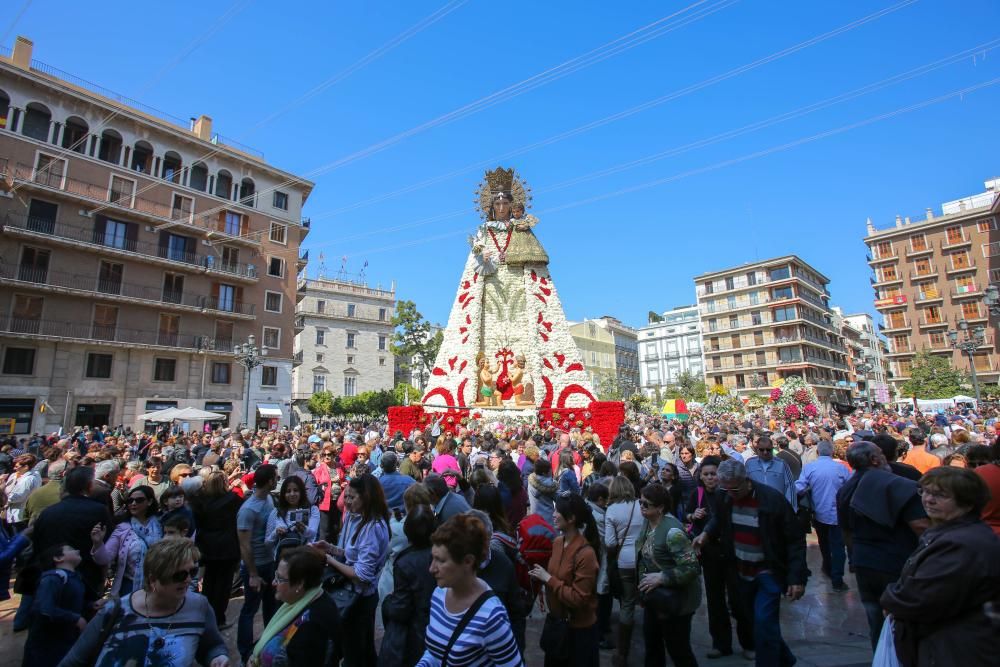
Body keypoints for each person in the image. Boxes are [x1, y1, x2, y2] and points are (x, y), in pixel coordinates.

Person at [880, 467, 1000, 665]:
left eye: (940, 495)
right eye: (925, 491)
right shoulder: (948, 533)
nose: (928, 499)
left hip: (959, 649)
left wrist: (891, 598)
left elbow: (921, 599)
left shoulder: (960, 543)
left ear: (967, 502)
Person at [694, 459, 807, 667]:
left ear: (747, 480)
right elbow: (719, 519)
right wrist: (706, 534)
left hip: (767, 570)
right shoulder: (725, 496)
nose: (731, 494)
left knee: (764, 622)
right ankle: (785, 659)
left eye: (735, 489)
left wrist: (796, 577)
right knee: (758, 622)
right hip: (740, 570)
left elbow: (794, 539)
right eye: (726, 489)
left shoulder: (771, 500)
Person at [60, 537, 229, 666]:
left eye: (191, 572)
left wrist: (218, 657)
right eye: (178, 575)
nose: (187, 580)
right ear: (153, 579)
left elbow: (212, 645)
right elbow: (74, 660)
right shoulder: (116, 611)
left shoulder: (199, 606)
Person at [836, 442, 929, 650]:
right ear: (875, 460)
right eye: (880, 454)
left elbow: (846, 532)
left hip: (865, 563)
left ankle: (883, 657)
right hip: (895, 562)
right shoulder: (896, 483)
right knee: (904, 621)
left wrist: (855, 556)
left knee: (876, 620)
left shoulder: (845, 490)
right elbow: (921, 526)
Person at [415, 513, 522, 667]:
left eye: (441, 560)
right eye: (433, 558)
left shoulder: (491, 616)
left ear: (468, 561)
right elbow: (436, 652)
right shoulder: (439, 594)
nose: (432, 569)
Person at [316, 473, 390, 667]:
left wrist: (329, 559)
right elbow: (352, 555)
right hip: (351, 594)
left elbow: (362, 575)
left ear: (366, 498)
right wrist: (331, 548)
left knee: (355, 652)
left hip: (359, 599)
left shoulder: (372, 526)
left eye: (351, 497)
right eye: (345, 496)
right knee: (360, 648)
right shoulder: (352, 517)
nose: (346, 502)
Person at [685, 455, 752, 659]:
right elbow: (686, 516)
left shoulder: (729, 494)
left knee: (738, 599)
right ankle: (720, 643)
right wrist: (692, 515)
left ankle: (748, 643)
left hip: (731, 552)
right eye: (706, 474)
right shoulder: (696, 494)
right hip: (709, 554)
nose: (710, 478)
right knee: (715, 601)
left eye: (713, 474)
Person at [529, 493, 600, 667]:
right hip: (557, 625)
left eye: (557, 511)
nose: (553, 515)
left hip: (578, 633)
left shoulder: (586, 554)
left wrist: (549, 579)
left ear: (571, 518)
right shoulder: (558, 542)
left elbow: (578, 598)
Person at [636, 483, 701, 667]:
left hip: (675, 601)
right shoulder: (648, 522)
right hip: (655, 597)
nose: (641, 507)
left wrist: (662, 577)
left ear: (660, 508)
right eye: (640, 502)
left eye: (646, 504)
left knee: (678, 649)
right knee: (652, 645)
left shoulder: (672, 532)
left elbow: (692, 567)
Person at [30, 466, 112, 605]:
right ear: (89, 486)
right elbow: (106, 543)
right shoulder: (98, 510)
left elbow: (37, 544)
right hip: (86, 578)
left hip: (51, 575)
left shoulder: (47, 512)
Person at [247, 546, 340, 666]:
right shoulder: (300, 599)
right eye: (276, 575)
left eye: (280, 578)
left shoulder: (313, 625)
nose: (274, 582)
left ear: (299, 584)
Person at [380, 505, 437, 667]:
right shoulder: (440, 554)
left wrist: (387, 603)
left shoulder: (406, 563)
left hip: (414, 634)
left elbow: (400, 609)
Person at [237, 463, 279, 662]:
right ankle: (245, 651)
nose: (277, 479)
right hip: (255, 567)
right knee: (250, 610)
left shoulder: (269, 498)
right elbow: (244, 545)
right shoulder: (248, 509)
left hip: (270, 563)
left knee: (272, 607)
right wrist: (253, 574)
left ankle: (268, 645)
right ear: (270, 480)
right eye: (276, 477)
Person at [795, 440, 851, 591]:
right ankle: (837, 578)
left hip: (819, 513)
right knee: (838, 547)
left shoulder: (810, 468)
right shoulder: (841, 468)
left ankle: (828, 567)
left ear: (818, 452)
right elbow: (851, 488)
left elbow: (799, 488)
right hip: (837, 514)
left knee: (825, 543)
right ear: (832, 452)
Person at [189, 469, 242, 629]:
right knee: (223, 586)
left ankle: (205, 617)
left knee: (209, 584)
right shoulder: (232, 499)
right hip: (227, 547)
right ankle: (218, 619)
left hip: (207, 546)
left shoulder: (200, 501)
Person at [91, 484, 163, 596]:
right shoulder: (122, 528)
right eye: (130, 500)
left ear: (149, 502)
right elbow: (104, 559)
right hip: (130, 586)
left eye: (139, 500)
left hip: (160, 584)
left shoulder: (161, 524)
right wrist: (98, 543)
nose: (133, 503)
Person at [21, 543, 86, 667]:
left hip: (64, 640)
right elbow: (44, 608)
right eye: (71, 549)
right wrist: (75, 618)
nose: (77, 549)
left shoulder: (76, 578)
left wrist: (92, 605)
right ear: (58, 558)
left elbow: (70, 602)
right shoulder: (52, 578)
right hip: (46, 647)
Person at [604, 475, 642, 667]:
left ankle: (622, 653)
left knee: (627, 603)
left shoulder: (612, 509)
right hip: (644, 560)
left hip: (624, 562)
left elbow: (610, 543)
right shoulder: (641, 505)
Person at [266, 475, 320, 558]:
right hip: (283, 561)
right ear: (283, 494)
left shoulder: (312, 510)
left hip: (304, 560)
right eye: (288, 491)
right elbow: (267, 543)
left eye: (296, 490)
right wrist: (276, 532)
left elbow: (314, 536)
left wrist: (304, 530)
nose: (292, 494)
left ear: (301, 492)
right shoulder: (276, 512)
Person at [744, 436, 797, 510]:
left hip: (778, 508)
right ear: (757, 449)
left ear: (772, 449)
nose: (765, 452)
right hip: (756, 508)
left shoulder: (782, 464)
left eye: (768, 450)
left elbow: (790, 487)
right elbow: (745, 485)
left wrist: (791, 509)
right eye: (762, 450)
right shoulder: (749, 463)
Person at [4, 453, 41, 531]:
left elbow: (17, 497)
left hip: (19, 516)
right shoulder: (15, 475)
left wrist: (2, 495)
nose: (14, 468)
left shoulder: (29, 479)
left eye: (17, 466)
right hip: (14, 515)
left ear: (26, 467)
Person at [528, 458, 558, 526]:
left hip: (535, 517)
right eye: (550, 469)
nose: (551, 471)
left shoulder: (531, 481)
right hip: (548, 519)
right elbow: (558, 499)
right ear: (544, 473)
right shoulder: (550, 485)